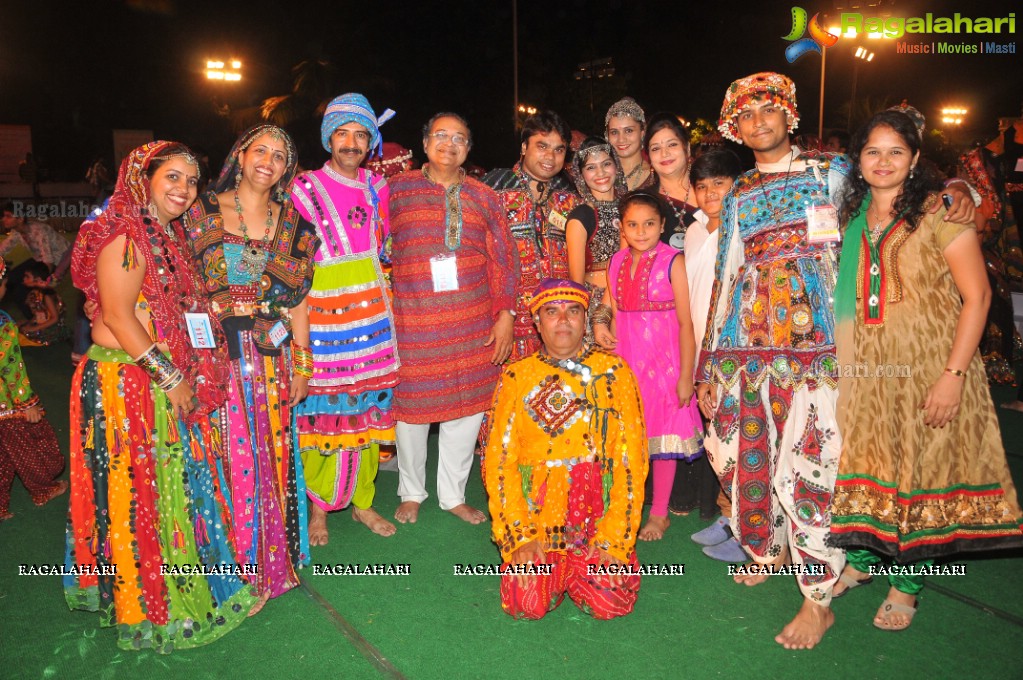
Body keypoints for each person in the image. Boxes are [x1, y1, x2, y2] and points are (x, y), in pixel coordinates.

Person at [696, 72, 976, 650]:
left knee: (812, 466)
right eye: (746, 116)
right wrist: (708, 366)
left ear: (789, 116)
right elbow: (725, 275)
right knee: (740, 453)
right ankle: (770, 547)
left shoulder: (831, 172)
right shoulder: (742, 191)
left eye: (769, 111)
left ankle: (816, 598)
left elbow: (896, 180)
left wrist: (958, 189)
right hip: (748, 352)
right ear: (736, 127)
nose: (759, 122)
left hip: (826, 352)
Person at [828, 110, 1023, 630]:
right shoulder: (850, 218)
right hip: (870, 369)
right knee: (870, 462)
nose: (883, 161)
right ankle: (866, 563)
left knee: (925, 472)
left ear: (915, 159)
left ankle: (907, 586)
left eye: (896, 151)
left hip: (931, 366)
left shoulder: (942, 212)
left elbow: (978, 297)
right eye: (872, 151)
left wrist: (953, 376)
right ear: (858, 160)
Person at [66, 142, 256, 652]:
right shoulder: (126, 232)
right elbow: (119, 317)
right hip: (128, 381)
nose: (184, 190)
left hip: (155, 376)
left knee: (169, 491)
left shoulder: (167, 235)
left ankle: (175, 593)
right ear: (141, 178)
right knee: (140, 499)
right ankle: (150, 605)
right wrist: (171, 379)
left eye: (191, 182)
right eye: (172, 177)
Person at [185, 125, 318, 612]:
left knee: (271, 455)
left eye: (280, 155)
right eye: (260, 150)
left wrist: (302, 365)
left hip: (271, 358)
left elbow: (300, 303)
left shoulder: (295, 226)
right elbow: (178, 285)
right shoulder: (199, 211)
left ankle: (269, 561)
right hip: (212, 354)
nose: (269, 160)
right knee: (220, 456)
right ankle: (230, 568)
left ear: (288, 168)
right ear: (240, 155)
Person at [484, 279, 648, 620]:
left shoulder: (614, 372)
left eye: (573, 311)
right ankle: (559, 572)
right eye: (552, 312)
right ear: (537, 323)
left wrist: (615, 538)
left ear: (585, 319)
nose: (563, 320)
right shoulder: (516, 376)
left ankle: (582, 570)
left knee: (608, 602)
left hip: (596, 517)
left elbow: (632, 459)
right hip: (539, 518)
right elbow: (500, 462)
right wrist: (520, 536)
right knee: (525, 603)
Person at [389, 112, 519, 525]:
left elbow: (503, 260)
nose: (450, 143)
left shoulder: (485, 196)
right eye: (441, 136)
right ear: (425, 143)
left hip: (472, 320)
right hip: (414, 321)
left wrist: (505, 315)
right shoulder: (395, 190)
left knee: (466, 411)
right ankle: (411, 490)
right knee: (410, 412)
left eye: (459, 137)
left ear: (468, 147)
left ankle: (452, 494)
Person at [290, 93, 400, 545]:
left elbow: (387, 246)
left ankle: (363, 502)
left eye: (361, 134)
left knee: (369, 405)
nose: (352, 142)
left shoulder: (378, 187)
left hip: (372, 310)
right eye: (343, 133)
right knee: (324, 408)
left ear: (371, 141)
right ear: (328, 138)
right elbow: (293, 261)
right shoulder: (304, 188)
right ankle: (319, 509)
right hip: (323, 312)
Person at [593, 191, 702, 541]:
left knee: (662, 436)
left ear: (662, 225)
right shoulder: (616, 261)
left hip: (665, 363)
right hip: (625, 360)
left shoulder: (674, 261)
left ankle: (658, 513)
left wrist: (686, 375)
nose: (641, 231)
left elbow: (687, 323)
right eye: (633, 224)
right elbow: (609, 304)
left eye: (649, 224)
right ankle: (625, 503)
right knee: (626, 436)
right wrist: (599, 324)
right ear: (621, 227)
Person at [684, 149, 748, 563]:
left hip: (736, 346)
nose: (710, 194)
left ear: (736, 186)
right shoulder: (691, 231)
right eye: (702, 186)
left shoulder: (745, 229)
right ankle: (730, 515)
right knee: (716, 436)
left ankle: (750, 526)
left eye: (719, 185)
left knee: (743, 435)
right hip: (698, 347)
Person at [483, 110, 581, 361]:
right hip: (506, 325)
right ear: (525, 147)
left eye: (559, 150)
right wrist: (501, 314)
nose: (550, 156)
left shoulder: (569, 197)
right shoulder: (494, 189)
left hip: (558, 326)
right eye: (542, 146)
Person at [0, 258, 66, 521]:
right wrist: (27, 405)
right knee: (25, 449)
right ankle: (43, 490)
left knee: (4, 456)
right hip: (7, 406)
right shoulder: (3, 324)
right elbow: (11, 368)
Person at [564, 136, 624, 324]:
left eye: (606, 164)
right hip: (596, 307)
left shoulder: (632, 207)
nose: (601, 172)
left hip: (632, 301)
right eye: (591, 167)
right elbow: (576, 282)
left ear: (616, 166)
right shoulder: (581, 216)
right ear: (580, 175)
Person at [644, 113, 699, 251]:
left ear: (687, 147)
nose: (664, 153)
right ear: (649, 157)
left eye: (672, 144)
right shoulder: (644, 202)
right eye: (656, 148)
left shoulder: (711, 190)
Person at [17, 260, 69, 346]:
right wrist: (29, 323)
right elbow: (39, 313)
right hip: (43, 320)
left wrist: (33, 328)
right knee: (19, 326)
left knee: (24, 333)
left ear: (38, 280)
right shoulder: (35, 292)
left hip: (52, 326)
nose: (24, 279)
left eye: (27, 277)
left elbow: (55, 318)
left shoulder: (46, 296)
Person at [606, 97, 653, 191]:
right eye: (614, 132)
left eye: (628, 130)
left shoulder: (655, 177)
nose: (621, 139)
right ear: (607, 136)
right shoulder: (598, 175)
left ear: (642, 133)